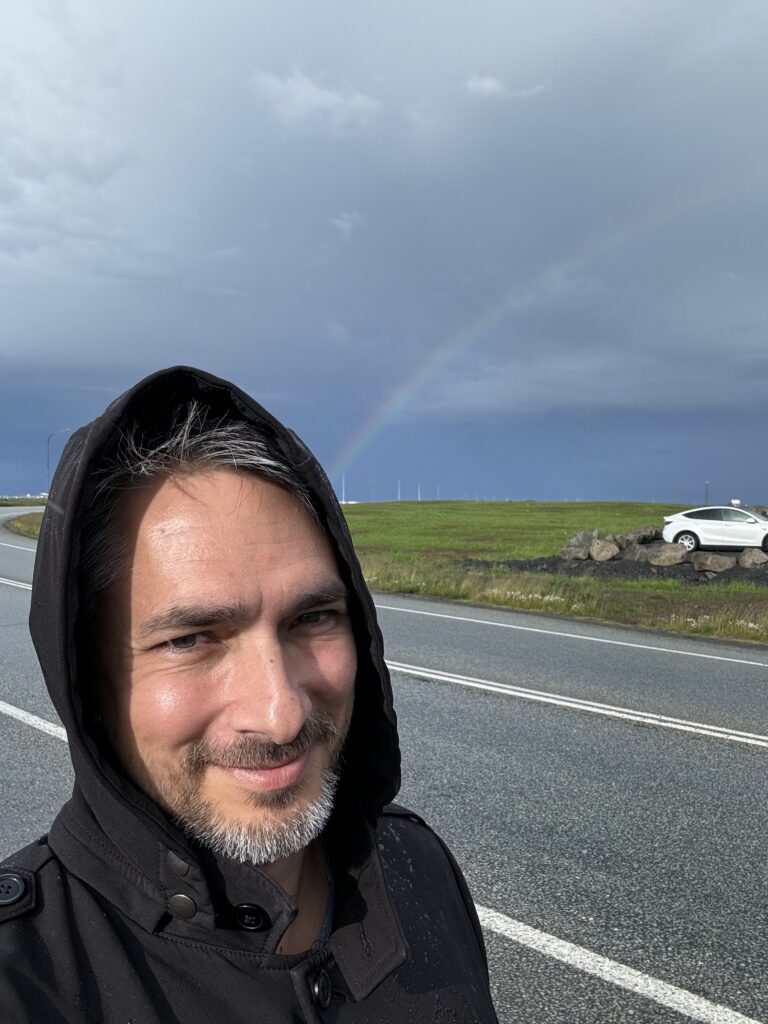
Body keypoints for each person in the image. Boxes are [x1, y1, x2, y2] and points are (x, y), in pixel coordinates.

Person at [0, 366, 498, 1022]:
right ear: (86, 675)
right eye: (190, 640)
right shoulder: (24, 974)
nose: (281, 711)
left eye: (312, 618)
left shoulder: (416, 867)